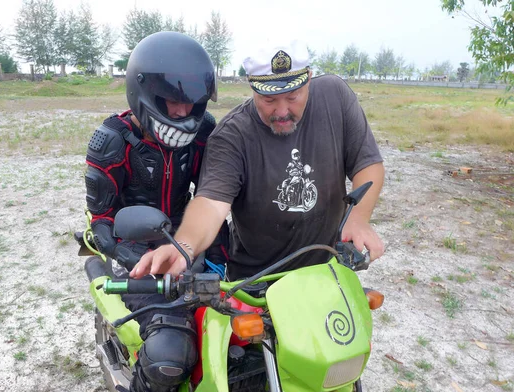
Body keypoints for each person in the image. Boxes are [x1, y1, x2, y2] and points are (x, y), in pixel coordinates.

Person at [131, 39, 385, 283]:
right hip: (255, 282)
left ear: (308, 79)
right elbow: (211, 202)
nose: (283, 111)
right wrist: (184, 245)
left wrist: (359, 218)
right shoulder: (231, 136)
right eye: (269, 100)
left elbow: (367, 163)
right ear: (253, 88)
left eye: (293, 96)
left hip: (326, 272)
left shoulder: (335, 97)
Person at [84, 31, 227, 392]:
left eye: (192, 102)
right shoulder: (114, 139)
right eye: (172, 102)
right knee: (170, 354)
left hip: (186, 242)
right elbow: (103, 224)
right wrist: (142, 259)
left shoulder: (204, 132)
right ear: (144, 92)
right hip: (133, 249)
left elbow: (211, 197)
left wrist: (215, 253)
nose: (184, 111)